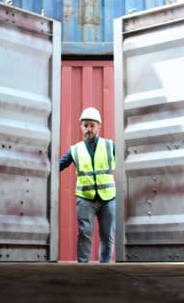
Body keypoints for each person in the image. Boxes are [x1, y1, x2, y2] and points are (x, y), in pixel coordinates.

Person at [59, 107, 116, 263]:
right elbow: (59, 165)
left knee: (107, 236)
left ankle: (105, 270)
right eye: (85, 125)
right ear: (81, 127)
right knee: (85, 233)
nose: (88, 129)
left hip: (108, 198)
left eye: (92, 125)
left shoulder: (110, 146)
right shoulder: (75, 150)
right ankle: (83, 269)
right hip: (85, 198)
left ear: (99, 126)